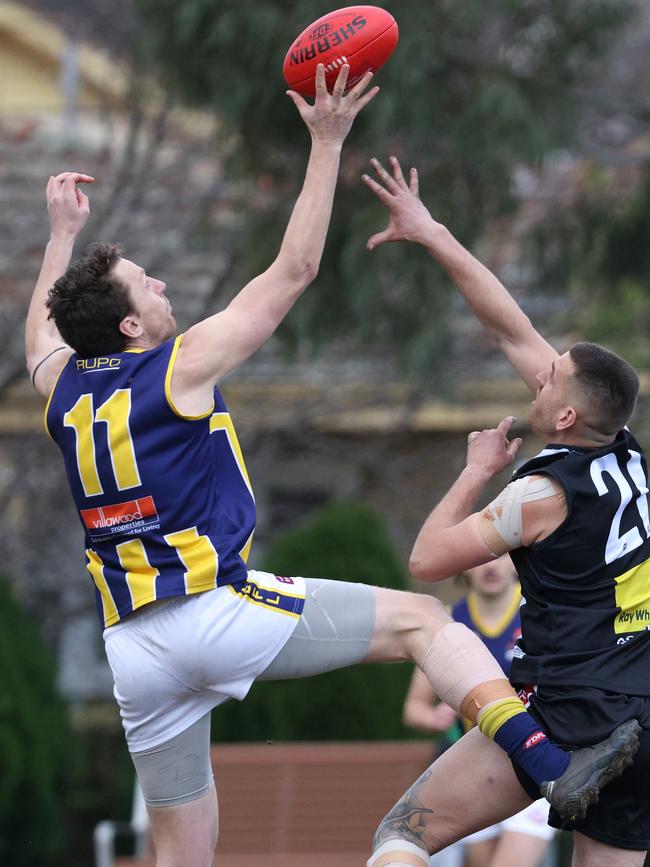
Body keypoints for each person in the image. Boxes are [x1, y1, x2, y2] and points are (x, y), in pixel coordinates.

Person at [24, 65, 635, 867]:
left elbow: (41, 335)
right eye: (147, 281)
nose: (161, 280)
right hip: (211, 607)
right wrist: (326, 143)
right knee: (424, 618)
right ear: (132, 322)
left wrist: (63, 236)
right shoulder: (177, 366)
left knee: (182, 851)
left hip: (133, 649)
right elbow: (294, 273)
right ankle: (555, 765)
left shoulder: (62, 386)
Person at [362, 154, 650, 867]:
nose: (540, 369)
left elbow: (428, 559)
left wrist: (474, 473)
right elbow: (509, 328)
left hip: (570, 712)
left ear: (567, 410)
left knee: (402, 833)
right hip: (642, 717)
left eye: (551, 375)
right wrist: (433, 234)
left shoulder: (541, 493)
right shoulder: (626, 452)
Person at [404, 557, 556, 867]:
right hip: (476, 767)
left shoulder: (542, 612)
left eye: (499, 555)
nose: (490, 566)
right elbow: (413, 708)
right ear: (463, 566)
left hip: (536, 760)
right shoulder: (447, 623)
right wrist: (433, 717)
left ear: (517, 561)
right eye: (479, 558)